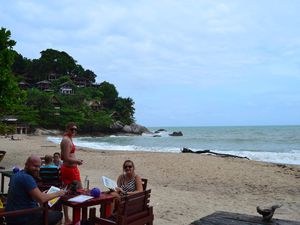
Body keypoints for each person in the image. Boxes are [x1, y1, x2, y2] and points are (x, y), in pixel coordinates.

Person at [5, 155, 65, 225]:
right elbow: (41, 199)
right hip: (24, 218)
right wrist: (59, 193)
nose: (37, 169)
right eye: (34, 166)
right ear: (26, 165)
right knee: (58, 214)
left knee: (49, 212)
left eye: (39, 166)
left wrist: (41, 194)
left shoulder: (16, 175)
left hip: (11, 217)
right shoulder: (27, 178)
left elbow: (26, 195)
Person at [60, 122, 83, 224]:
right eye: (72, 129)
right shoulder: (66, 140)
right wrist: (76, 161)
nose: (74, 131)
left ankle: (70, 218)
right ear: (67, 129)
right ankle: (73, 219)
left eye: (75, 129)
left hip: (70, 169)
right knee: (79, 191)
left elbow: (66, 156)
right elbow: (65, 157)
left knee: (68, 192)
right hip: (69, 170)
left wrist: (75, 161)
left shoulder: (68, 139)